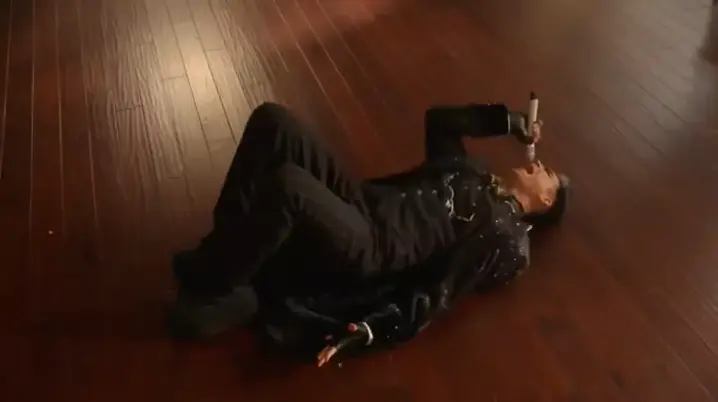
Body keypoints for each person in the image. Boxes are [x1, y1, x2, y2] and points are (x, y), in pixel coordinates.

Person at [166, 102, 569, 366]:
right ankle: (221, 248)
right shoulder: (475, 171)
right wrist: (508, 121)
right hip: (363, 200)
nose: (538, 166)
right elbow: (440, 121)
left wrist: (373, 330)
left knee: (289, 187)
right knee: (272, 121)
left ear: (546, 200)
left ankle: (222, 289)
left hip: (373, 245)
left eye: (547, 175)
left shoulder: (505, 236)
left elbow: (440, 290)